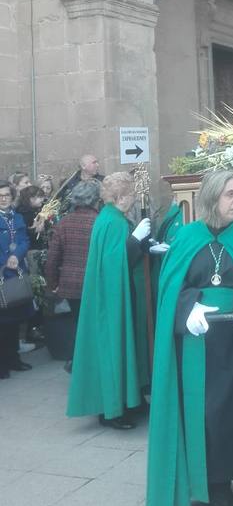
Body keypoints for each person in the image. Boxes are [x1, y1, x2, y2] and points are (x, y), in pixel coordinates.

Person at [147, 170, 233, 506]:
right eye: (230, 194)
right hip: (198, 346)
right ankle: (214, 491)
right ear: (211, 198)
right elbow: (169, 288)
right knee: (205, 416)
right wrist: (187, 306)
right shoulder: (187, 237)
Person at [67, 172, 155, 429]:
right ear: (118, 197)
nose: (132, 201)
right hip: (110, 298)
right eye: (129, 196)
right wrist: (136, 240)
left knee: (124, 347)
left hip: (112, 293)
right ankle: (112, 411)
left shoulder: (110, 218)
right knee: (114, 348)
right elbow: (114, 262)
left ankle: (131, 400)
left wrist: (146, 247)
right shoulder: (113, 221)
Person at [44, 180, 101, 370]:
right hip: (95, 284)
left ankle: (76, 360)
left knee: (78, 322)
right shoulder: (99, 222)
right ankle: (87, 364)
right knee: (95, 326)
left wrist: (53, 285)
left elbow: (52, 259)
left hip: (70, 285)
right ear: (95, 200)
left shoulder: (64, 223)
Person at [0, 181, 33, 377]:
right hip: (2, 272)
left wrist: (17, 256)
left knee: (14, 321)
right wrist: (6, 259)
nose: (3, 198)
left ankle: (14, 359)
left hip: (15, 271)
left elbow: (24, 240)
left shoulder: (17, 216)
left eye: (6, 195)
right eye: (0, 195)